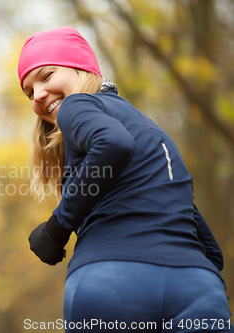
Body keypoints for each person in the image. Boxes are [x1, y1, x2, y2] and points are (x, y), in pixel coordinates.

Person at [18, 26, 232, 333]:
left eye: (47, 75)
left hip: (113, 280)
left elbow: (113, 145)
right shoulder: (152, 130)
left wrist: (56, 229)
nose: (38, 94)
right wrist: (206, 282)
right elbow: (200, 229)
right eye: (29, 92)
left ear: (82, 68)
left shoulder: (78, 105)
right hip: (197, 286)